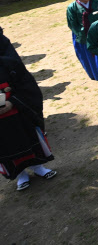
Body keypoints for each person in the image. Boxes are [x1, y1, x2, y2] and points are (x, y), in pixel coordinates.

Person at [0, 29, 57, 191]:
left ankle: (38, 167)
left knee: (27, 137)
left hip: (16, 110)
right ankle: (20, 174)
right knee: (5, 145)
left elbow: (25, 83)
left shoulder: (6, 58)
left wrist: (12, 102)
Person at [66, 0, 98, 82]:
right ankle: (97, 75)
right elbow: (73, 24)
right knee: (90, 58)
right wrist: (85, 33)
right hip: (84, 35)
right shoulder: (72, 8)